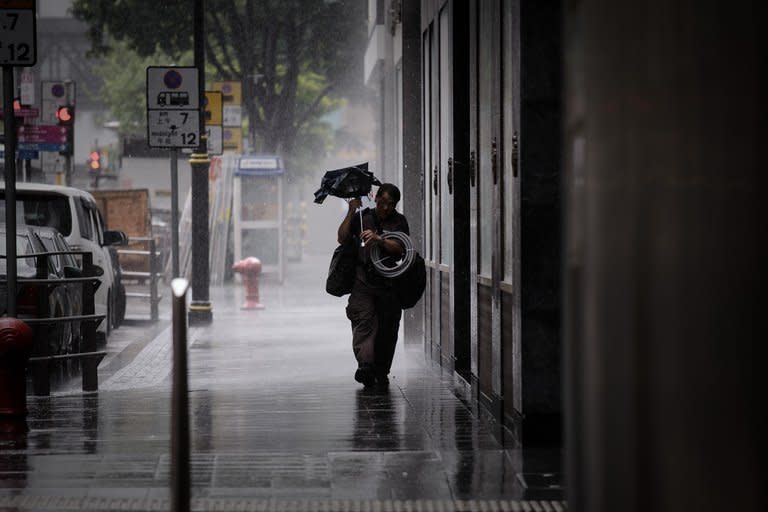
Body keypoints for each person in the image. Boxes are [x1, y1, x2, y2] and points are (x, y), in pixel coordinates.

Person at [337, 183, 409, 388]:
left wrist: (379, 239)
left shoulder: (399, 222)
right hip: (363, 282)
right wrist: (351, 210)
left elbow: (401, 248)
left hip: (389, 283)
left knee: (388, 328)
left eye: (391, 204)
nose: (386, 208)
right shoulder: (362, 218)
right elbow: (341, 238)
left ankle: (381, 370)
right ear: (376, 198)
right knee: (363, 322)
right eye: (383, 202)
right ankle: (366, 366)